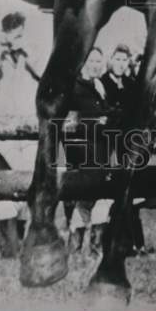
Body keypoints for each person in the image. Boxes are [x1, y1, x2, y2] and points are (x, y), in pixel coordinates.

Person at [0, 12, 41, 258]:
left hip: (30, 130)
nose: (17, 39)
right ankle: (9, 251)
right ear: (4, 34)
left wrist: (27, 52)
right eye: (13, 35)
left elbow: (46, 75)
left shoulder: (33, 52)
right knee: (4, 190)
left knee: (27, 188)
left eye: (21, 34)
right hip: (2, 134)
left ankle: (27, 246)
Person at [65, 47, 113, 255]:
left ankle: (78, 247)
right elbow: (72, 123)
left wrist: (108, 119)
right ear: (83, 63)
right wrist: (99, 122)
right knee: (99, 196)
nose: (95, 65)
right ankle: (91, 247)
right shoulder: (75, 88)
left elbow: (106, 112)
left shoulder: (99, 85)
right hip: (84, 150)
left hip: (101, 148)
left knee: (88, 199)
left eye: (98, 62)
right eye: (91, 61)